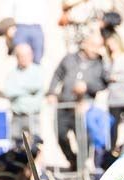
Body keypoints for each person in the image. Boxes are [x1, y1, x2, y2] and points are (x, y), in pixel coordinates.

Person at [46, 32, 109, 171]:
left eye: (99, 46)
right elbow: (57, 74)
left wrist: (87, 87)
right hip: (65, 104)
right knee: (60, 133)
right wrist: (51, 92)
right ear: (84, 44)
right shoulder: (69, 59)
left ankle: (81, 166)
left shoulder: (100, 63)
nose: (96, 49)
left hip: (83, 107)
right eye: (93, 45)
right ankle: (72, 159)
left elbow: (104, 83)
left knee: (83, 139)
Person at [5, 43, 45, 148]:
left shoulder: (37, 71)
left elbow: (36, 87)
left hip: (32, 115)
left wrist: (19, 88)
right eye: (20, 56)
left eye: (26, 55)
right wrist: (26, 90)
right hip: (17, 115)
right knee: (16, 145)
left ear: (31, 55)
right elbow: (9, 92)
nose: (23, 59)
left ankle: (36, 164)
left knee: (36, 144)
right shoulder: (12, 73)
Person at [104, 33, 124, 148]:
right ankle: (112, 149)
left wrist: (117, 77)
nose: (111, 46)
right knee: (113, 126)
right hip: (113, 98)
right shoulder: (109, 59)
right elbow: (106, 74)